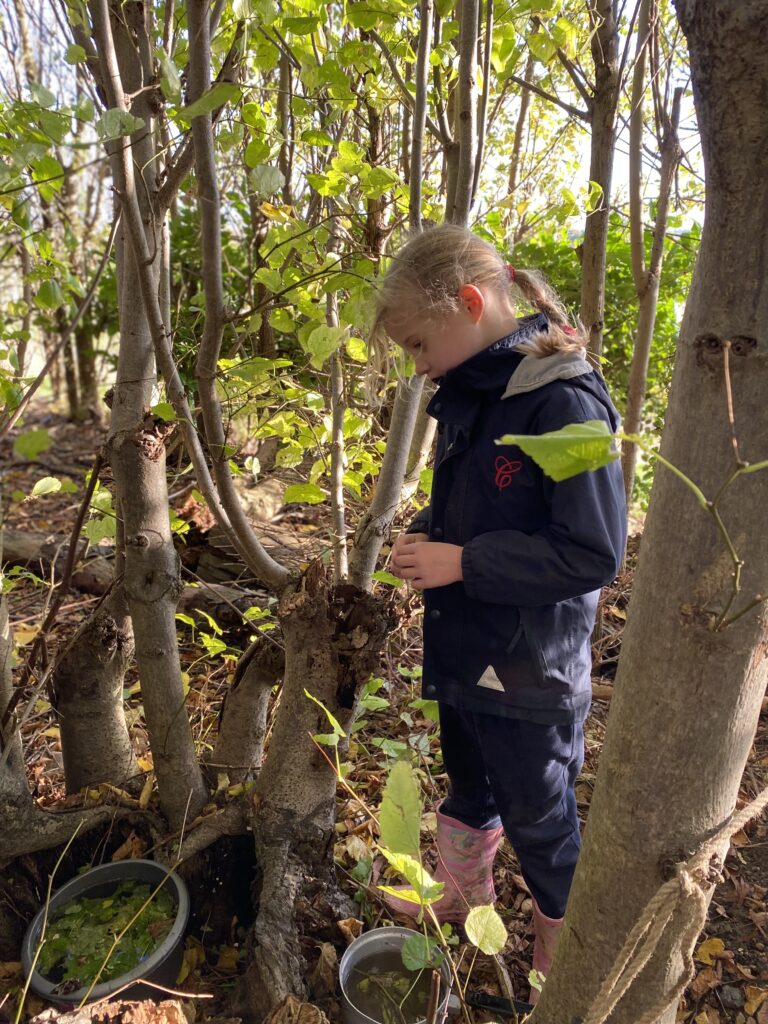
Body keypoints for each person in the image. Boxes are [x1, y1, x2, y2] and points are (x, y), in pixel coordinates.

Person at [374, 223, 627, 1002]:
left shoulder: (568, 399)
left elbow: (593, 552)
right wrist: (431, 539)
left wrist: (463, 562)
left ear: (473, 304)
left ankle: (566, 959)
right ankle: (462, 894)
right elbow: (481, 505)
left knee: (541, 818)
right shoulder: (471, 392)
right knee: (469, 781)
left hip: (529, 670)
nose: (417, 366)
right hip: (465, 646)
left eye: (419, 345)